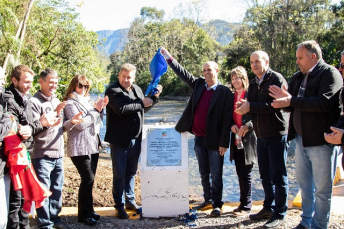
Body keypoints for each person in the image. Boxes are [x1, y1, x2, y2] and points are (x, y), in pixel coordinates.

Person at [269, 40, 342, 229]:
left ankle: (319, 226)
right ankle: (306, 221)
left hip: (321, 142)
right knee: (304, 186)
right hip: (301, 140)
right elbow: (291, 104)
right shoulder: (298, 77)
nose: (297, 62)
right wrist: (285, 103)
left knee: (322, 190)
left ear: (313, 57)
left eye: (300, 58)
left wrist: (292, 101)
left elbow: (323, 103)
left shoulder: (330, 74)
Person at [160, 47, 233, 217]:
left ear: (217, 71)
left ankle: (217, 204)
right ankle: (207, 199)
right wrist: (169, 58)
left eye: (210, 70)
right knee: (203, 172)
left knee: (216, 174)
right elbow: (182, 73)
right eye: (204, 70)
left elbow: (226, 119)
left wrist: (224, 142)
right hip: (199, 138)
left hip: (215, 141)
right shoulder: (199, 84)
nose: (207, 73)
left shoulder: (225, 92)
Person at [235, 50, 289, 228]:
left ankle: (280, 212)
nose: (254, 65)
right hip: (261, 135)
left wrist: (250, 106)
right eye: (251, 62)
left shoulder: (276, 79)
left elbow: (275, 105)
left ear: (266, 61)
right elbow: (251, 108)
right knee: (265, 174)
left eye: (257, 61)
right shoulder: (252, 83)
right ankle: (268, 207)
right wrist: (244, 108)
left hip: (276, 134)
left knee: (278, 176)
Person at [4, 65, 60, 229]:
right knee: (15, 201)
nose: (29, 85)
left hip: (25, 153)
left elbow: (30, 127)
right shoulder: (9, 99)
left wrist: (43, 124)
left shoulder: (25, 97)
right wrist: (39, 124)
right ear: (14, 80)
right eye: (26, 82)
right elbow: (18, 128)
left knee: (24, 198)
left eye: (31, 82)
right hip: (13, 157)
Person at [104, 63, 162, 219]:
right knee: (119, 174)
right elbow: (121, 109)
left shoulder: (137, 89)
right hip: (119, 140)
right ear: (119, 75)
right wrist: (142, 103)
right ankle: (119, 205)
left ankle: (130, 200)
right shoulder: (112, 90)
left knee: (130, 173)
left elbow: (143, 108)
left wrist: (154, 99)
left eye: (129, 77)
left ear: (134, 77)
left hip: (136, 138)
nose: (126, 79)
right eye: (123, 76)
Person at [30, 69, 83, 229]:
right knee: (44, 192)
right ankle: (45, 224)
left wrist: (71, 122)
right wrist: (55, 113)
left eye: (56, 82)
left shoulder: (55, 100)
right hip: (42, 155)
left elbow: (59, 128)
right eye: (50, 82)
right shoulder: (34, 102)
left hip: (58, 154)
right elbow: (35, 129)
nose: (53, 86)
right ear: (41, 82)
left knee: (57, 190)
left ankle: (55, 220)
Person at [63, 75, 108, 226]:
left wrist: (101, 108)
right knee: (87, 178)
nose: (83, 89)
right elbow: (81, 125)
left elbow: (97, 119)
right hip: (79, 146)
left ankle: (88, 210)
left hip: (93, 143)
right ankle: (83, 214)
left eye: (86, 86)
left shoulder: (88, 101)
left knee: (90, 179)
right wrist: (95, 111)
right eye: (80, 86)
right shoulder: (70, 103)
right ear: (74, 86)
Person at [229, 66, 257, 217]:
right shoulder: (232, 96)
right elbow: (229, 117)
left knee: (246, 173)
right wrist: (232, 126)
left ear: (244, 79)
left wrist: (247, 126)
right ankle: (242, 203)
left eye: (237, 78)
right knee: (239, 172)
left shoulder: (250, 94)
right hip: (236, 140)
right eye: (233, 79)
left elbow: (257, 115)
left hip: (248, 140)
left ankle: (247, 207)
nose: (235, 81)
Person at [0, 67, 12, 229]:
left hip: (3, 165)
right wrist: (8, 122)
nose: (3, 82)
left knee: (3, 220)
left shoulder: (3, 98)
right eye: (0, 79)